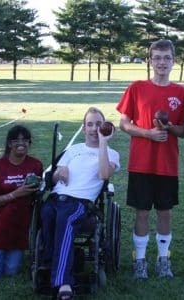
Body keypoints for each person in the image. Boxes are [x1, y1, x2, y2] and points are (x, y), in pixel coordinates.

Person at [116, 39, 184, 279]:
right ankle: (139, 261)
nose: (161, 62)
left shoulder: (181, 93)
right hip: (141, 163)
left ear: (173, 61)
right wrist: (147, 133)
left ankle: (162, 259)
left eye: (166, 58)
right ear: (150, 61)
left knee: (165, 212)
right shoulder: (137, 87)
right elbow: (124, 123)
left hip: (167, 164)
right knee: (141, 212)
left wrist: (168, 128)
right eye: (157, 58)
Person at [40, 107, 120, 300]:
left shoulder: (112, 154)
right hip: (56, 198)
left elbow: (103, 174)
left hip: (80, 203)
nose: (94, 128)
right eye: (90, 124)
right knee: (47, 213)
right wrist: (59, 173)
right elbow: (50, 178)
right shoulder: (72, 150)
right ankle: (52, 264)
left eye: (99, 124)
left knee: (66, 220)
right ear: (83, 128)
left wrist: (102, 142)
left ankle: (63, 283)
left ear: (106, 127)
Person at [0, 125, 43, 280]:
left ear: (29, 144)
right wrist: (15, 194)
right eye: (16, 140)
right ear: (9, 144)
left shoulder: (36, 165)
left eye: (25, 140)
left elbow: (38, 194)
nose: (21, 143)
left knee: (12, 271)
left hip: (19, 229)